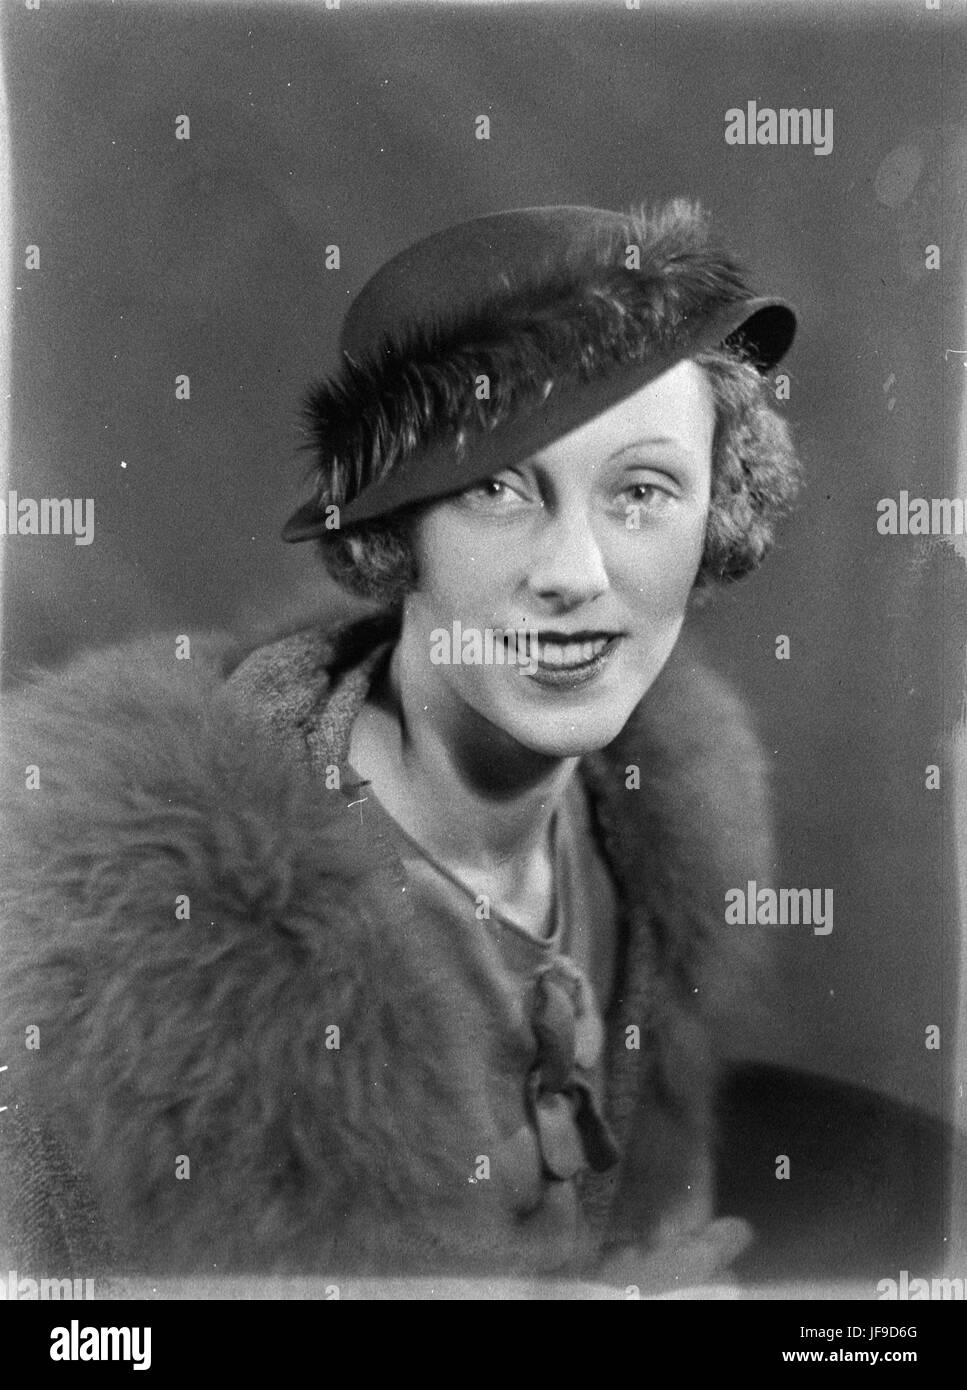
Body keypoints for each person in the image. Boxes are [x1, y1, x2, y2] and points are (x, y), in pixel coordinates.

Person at [0, 200, 801, 1294]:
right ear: (395, 528)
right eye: (496, 487)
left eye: (642, 491)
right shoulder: (115, 947)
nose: (575, 572)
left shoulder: (659, 847)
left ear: (720, 512)